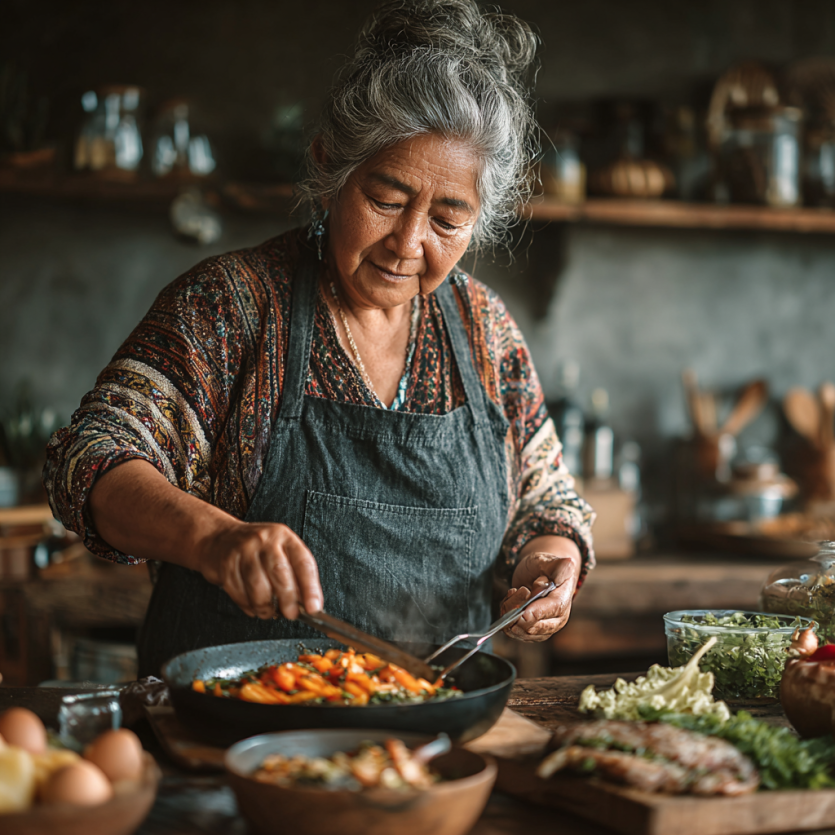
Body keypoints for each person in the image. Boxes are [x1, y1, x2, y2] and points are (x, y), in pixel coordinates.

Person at [44, 0, 595, 677]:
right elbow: (91, 458)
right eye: (386, 201)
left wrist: (550, 560)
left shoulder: (485, 330)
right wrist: (212, 538)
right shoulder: (232, 305)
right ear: (330, 167)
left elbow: (547, 504)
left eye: (447, 220)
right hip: (237, 719)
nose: (408, 243)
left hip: (432, 719)